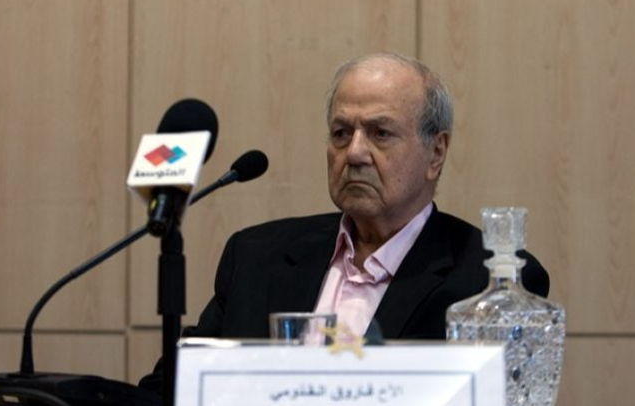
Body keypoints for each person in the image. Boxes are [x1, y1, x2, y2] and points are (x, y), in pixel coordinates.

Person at [139, 52, 548, 390]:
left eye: (380, 133)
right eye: (341, 133)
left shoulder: (487, 284)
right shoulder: (255, 257)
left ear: (436, 153)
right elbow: (175, 388)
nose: (354, 153)